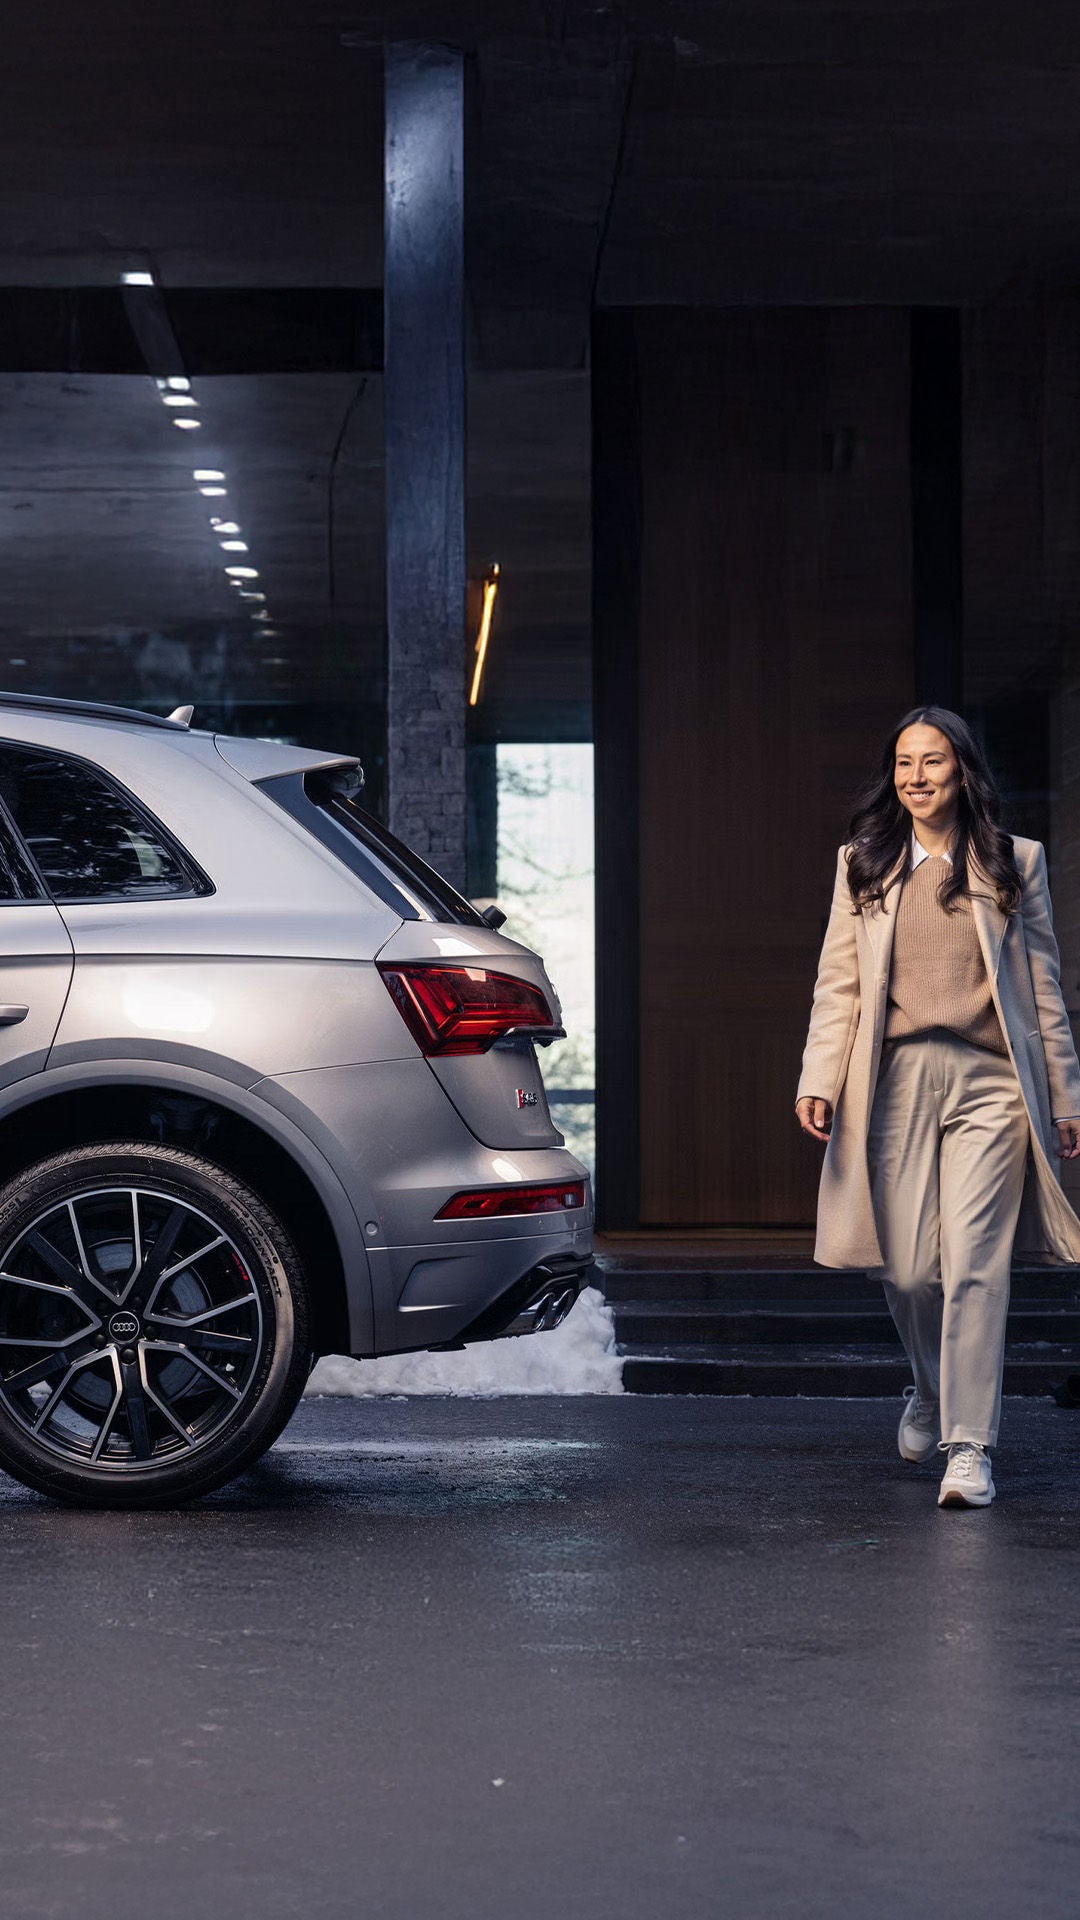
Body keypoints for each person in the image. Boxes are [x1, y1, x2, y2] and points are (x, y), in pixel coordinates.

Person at [796, 706, 1080, 1508]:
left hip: (992, 1085)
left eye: (933, 762)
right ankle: (929, 1388)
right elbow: (838, 985)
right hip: (893, 1082)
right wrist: (817, 1077)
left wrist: (1065, 1094)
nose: (917, 777)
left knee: (974, 1267)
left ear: (964, 771)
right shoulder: (864, 864)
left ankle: (969, 1447)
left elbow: (1043, 990)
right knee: (913, 1269)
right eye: (903, 764)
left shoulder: (1013, 861)